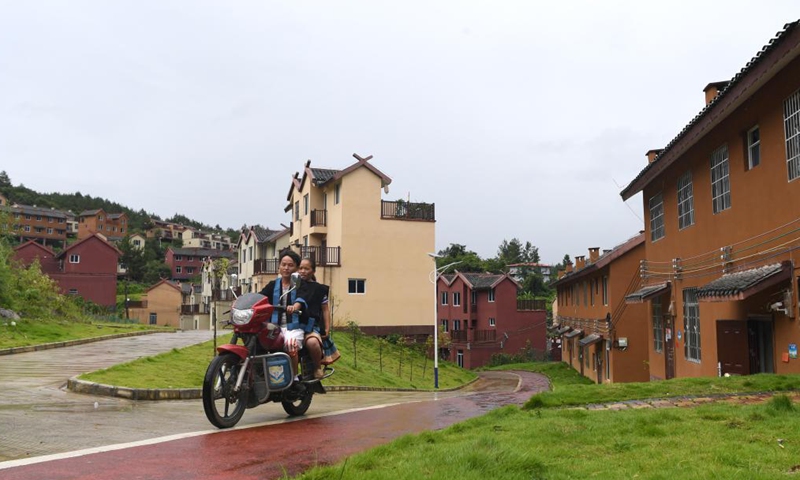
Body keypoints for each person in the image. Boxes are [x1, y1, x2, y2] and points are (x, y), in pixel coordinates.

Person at [258, 249, 308, 378]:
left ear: (296, 268)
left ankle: (294, 378)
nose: (286, 268)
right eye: (283, 264)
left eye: (290, 265)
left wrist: (295, 306)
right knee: (256, 342)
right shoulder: (272, 284)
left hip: (293, 327)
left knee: (290, 345)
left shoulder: (300, 284)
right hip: (274, 326)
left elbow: (301, 299)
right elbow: (260, 297)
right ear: (279, 266)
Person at [294, 256, 339, 379]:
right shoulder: (292, 286)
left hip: (310, 326)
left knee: (313, 343)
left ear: (313, 271)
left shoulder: (319, 289)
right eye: (300, 268)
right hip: (291, 324)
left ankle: (317, 368)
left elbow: (325, 309)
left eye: (306, 269)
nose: (302, 271)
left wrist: (327, 328)